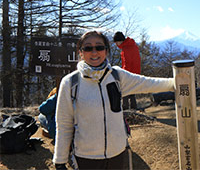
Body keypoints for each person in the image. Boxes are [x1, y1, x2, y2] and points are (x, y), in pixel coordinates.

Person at [53, 28, 175, 170]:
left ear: (106, 51)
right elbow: (64, 124)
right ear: (80, 53)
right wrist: (60, 160)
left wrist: (178, 81)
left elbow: (148, 83)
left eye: (99, 47)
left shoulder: (117, 76)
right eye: (88, 48)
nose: (94, 52)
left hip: (117, 154)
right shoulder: (71, 82)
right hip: (86, 158)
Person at [113, 32, 141, 111]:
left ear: (119, 41)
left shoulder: (126, 49)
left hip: (129, 73)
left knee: (125, 91)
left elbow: (127, 63)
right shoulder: (133, 45)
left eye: (116, 42)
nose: (116, 44)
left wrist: (123, 75)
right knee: (132, 92)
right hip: (136, 73)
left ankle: (125, 110)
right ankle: (134, 109)